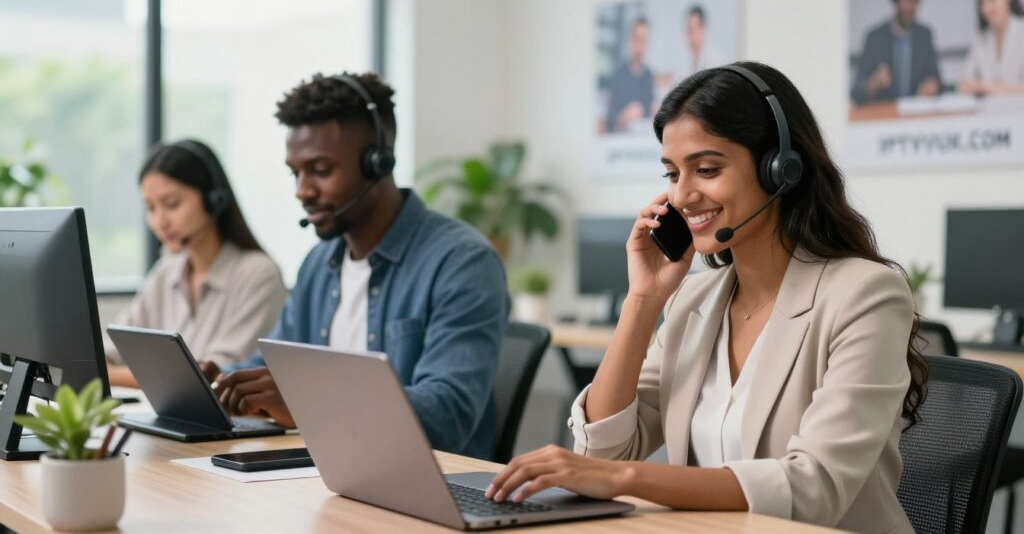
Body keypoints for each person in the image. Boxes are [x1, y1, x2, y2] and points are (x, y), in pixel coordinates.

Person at [486, 62, 926, 534]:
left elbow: (812, 488)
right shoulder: (692, 301)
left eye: (707, 169)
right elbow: (602, 453)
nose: (682, 195)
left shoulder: (864, 295)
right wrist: (643, 300)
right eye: (672, 173)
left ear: (780, 168)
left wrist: (626, 478)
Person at [207, 72, 510, 459]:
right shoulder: (320, 263)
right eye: (295, 173)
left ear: (377, 163)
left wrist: (308, 401)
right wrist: (221, 379)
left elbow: (448, 413)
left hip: (429, 487)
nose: (302, 190)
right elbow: (273, 363)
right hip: (334, 470)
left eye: (320, 170)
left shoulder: (462, 262)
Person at [105, 139, 287, 388]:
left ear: (214, 199)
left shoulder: (258, 274)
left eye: (172, 204)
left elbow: (209, 377)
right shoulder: (167, 270)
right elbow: (115, 343)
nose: (160, 221)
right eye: (150, 207)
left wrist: (109, 375)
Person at [851, 0, 941, 104]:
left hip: (916, 118)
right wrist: (872, 84)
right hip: (883, 120)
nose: (912, 6)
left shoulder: (925, 35)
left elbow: (938, 82)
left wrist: (933, 86)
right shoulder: (874, 37)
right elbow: (856, 92)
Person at [959, 0, 1024, 95]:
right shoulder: (982, 39)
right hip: (988, 114)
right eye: (982, 1)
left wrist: (988, 88)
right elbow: (964, 84)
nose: (986, 8)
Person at [603, 17, 655, 133]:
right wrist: (623, 117)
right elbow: (609, 120)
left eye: (643, 40)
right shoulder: (618, 75)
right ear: (630, 40)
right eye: (636, 39)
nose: (639, 46)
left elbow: (650, 110)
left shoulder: (648, 76)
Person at [676, 5, 727, 81]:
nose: (689, 36)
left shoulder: (717, 62)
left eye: (691, 30)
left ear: (703, 29)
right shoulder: (683, 65)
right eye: (686, 30)